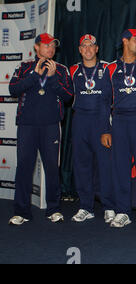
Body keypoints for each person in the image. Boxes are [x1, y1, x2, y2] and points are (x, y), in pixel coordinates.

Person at [8, 33, 73, 225]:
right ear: (36, 47)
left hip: (51, 126)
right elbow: (13, 89)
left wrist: (52, 79)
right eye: (46, 45)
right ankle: (21, 211)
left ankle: (53, 209)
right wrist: (35, 76)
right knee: (24, 168)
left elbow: (68, 96)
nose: (50, 49)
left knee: (52, 168)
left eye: (53, 45)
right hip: (27, 125)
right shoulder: (25, 66)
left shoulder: (61, 69)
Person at [101, 29, 136, 228]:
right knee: (120, 168)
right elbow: (104, 101)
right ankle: (123, 211)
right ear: (125, 41)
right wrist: (106, 128)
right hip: (119, 120)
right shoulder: (111, 68)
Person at [69, 34, 115, 223]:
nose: (88, 49)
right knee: (82, 166)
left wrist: (107, 127)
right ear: (80, 50)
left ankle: (109, 206)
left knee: (105, 166)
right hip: (80, 121)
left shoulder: (107, 68)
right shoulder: (72, 70)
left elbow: (113, 98)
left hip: (101, 121)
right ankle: (85, 206)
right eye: (84, 46)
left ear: (97, 49)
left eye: (91, 46)